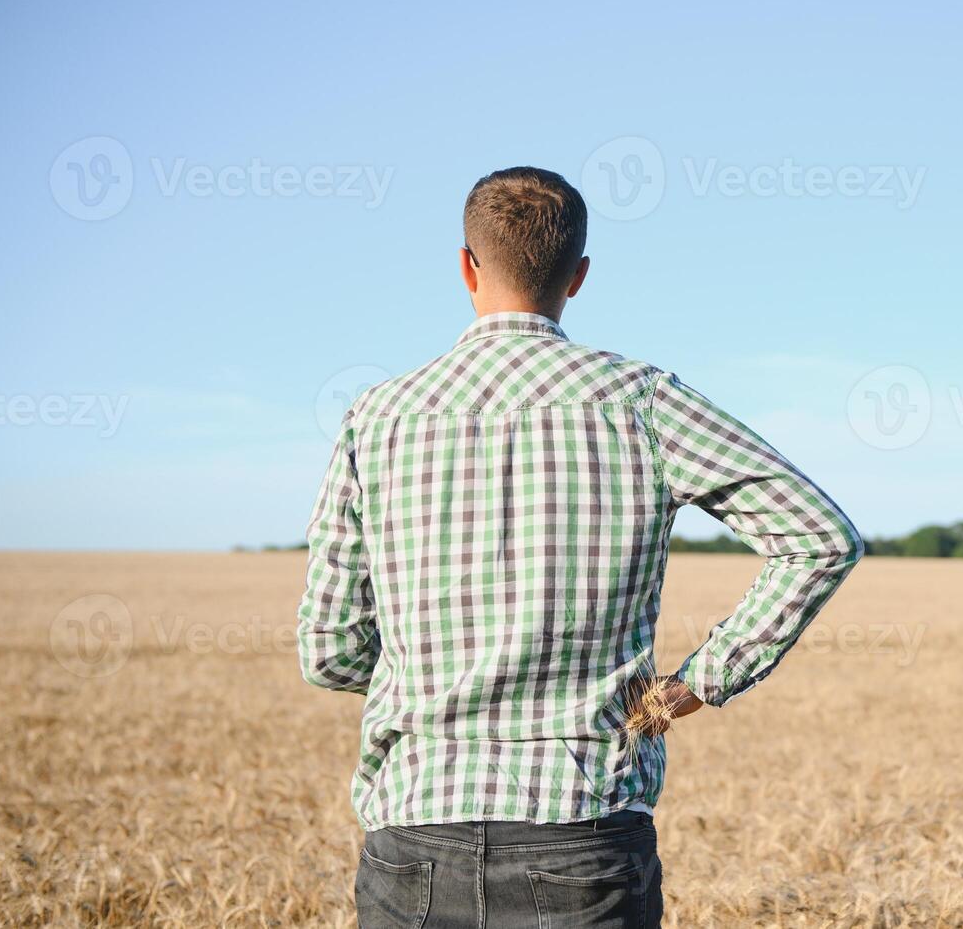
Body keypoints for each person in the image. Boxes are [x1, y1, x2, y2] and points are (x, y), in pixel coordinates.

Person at [297, 166, 863, 928]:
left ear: (465, 264)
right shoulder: (640, 400)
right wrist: (694, 685)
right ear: (579, 277)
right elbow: (819, 537)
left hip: (413, 834)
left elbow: (329, 651)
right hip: (585, 828)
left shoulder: (379, 417)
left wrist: (431, 685)